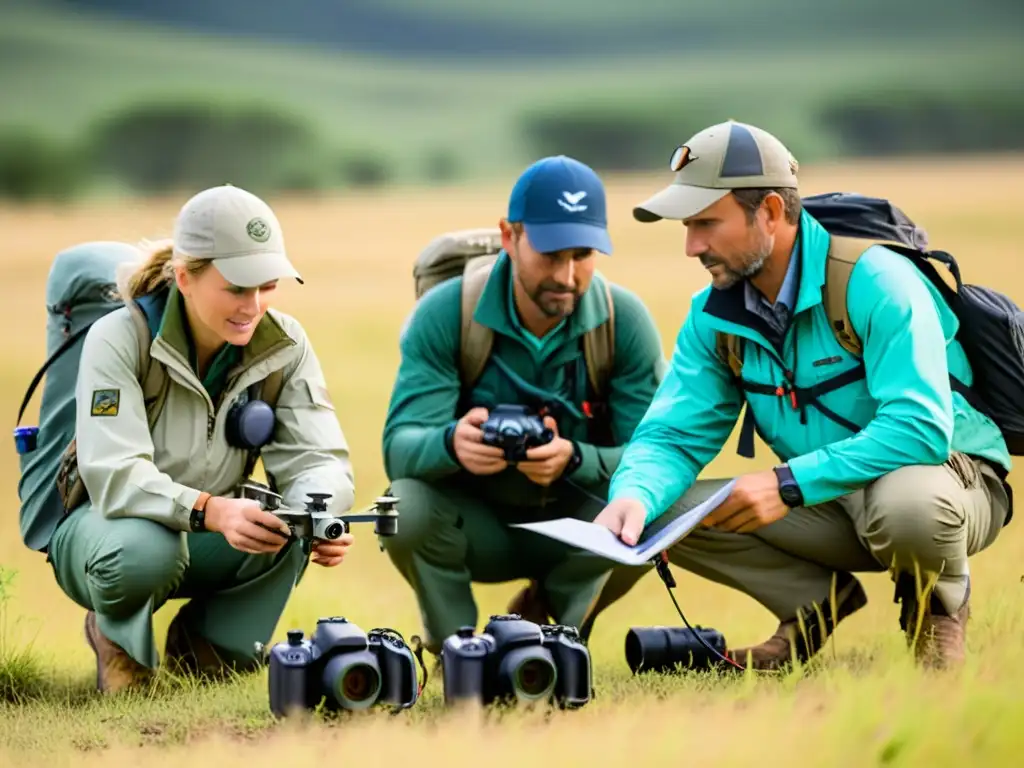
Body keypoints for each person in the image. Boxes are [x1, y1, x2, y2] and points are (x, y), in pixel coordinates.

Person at [587, 120, 1012, 670]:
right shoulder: (712, 315)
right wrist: (634, 494)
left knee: (908, 504)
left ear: (768, 211)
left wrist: (787, 483)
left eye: (706, 224)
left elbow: (919, 429)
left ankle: (938, 618)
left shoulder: (876, 280)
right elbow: (673, 433)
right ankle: (812, 606)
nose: (692, 247)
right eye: (687, 227)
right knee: (662, 512)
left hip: (946, 482)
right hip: (826, 495)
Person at [47, 185, 357, 694]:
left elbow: (317, 457)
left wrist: (315, 515)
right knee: (149, 548)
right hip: (111, 532)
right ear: (186, 277)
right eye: (236, 287)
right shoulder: (118, 338)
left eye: (267, 285)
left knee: (287, 526)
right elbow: (116, 474)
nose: (252, 306)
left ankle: (209, 649)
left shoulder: (285, 342)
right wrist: (213, 510)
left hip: (212, 530)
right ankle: (119, 642)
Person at [379, 155, 666, 656]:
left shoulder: (625, 321)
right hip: (475, 526)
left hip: (581, 528)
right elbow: (399, 449)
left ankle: (555, 629)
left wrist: (576, 458)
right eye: (551, 253)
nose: (568, 274)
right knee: (401, 508)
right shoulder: (447, 313)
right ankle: (457, 649)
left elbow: (654, 452)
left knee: (661, 507)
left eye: (583, 254)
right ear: (509, 236)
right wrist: (453, 444)